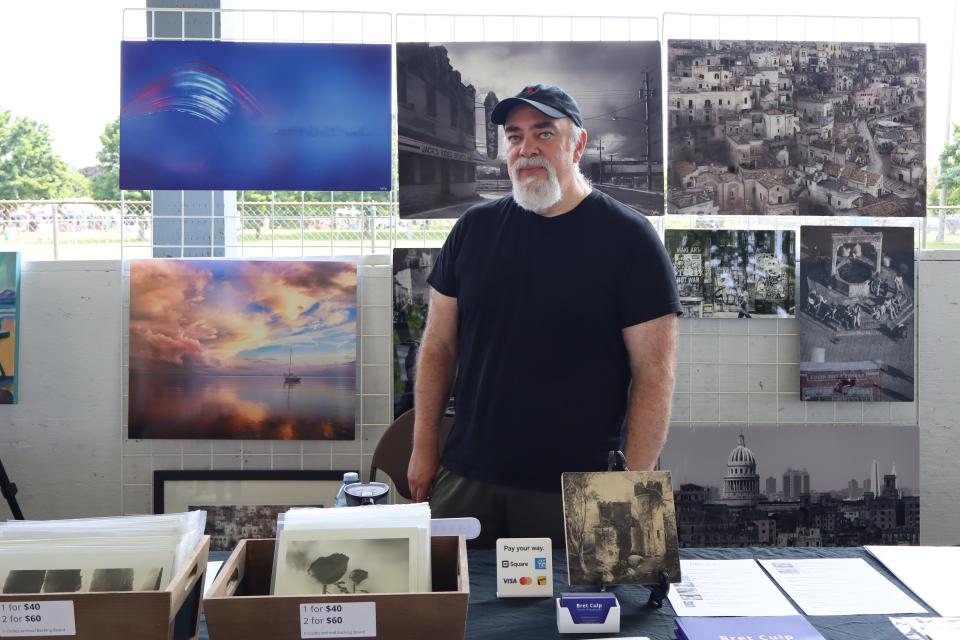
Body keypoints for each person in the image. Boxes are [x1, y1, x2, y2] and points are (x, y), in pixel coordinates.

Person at [406, 84, 682, 547]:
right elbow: (438, 347)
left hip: (580, 486)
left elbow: (655, 375)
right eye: (514, 137)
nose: (526, 148)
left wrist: (631, 486)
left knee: (586, 617)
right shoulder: (473, 230)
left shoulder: (630, 240)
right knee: (455, 612)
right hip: (470, 478)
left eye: (544, 134)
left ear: (578, 144)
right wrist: (423, 445)